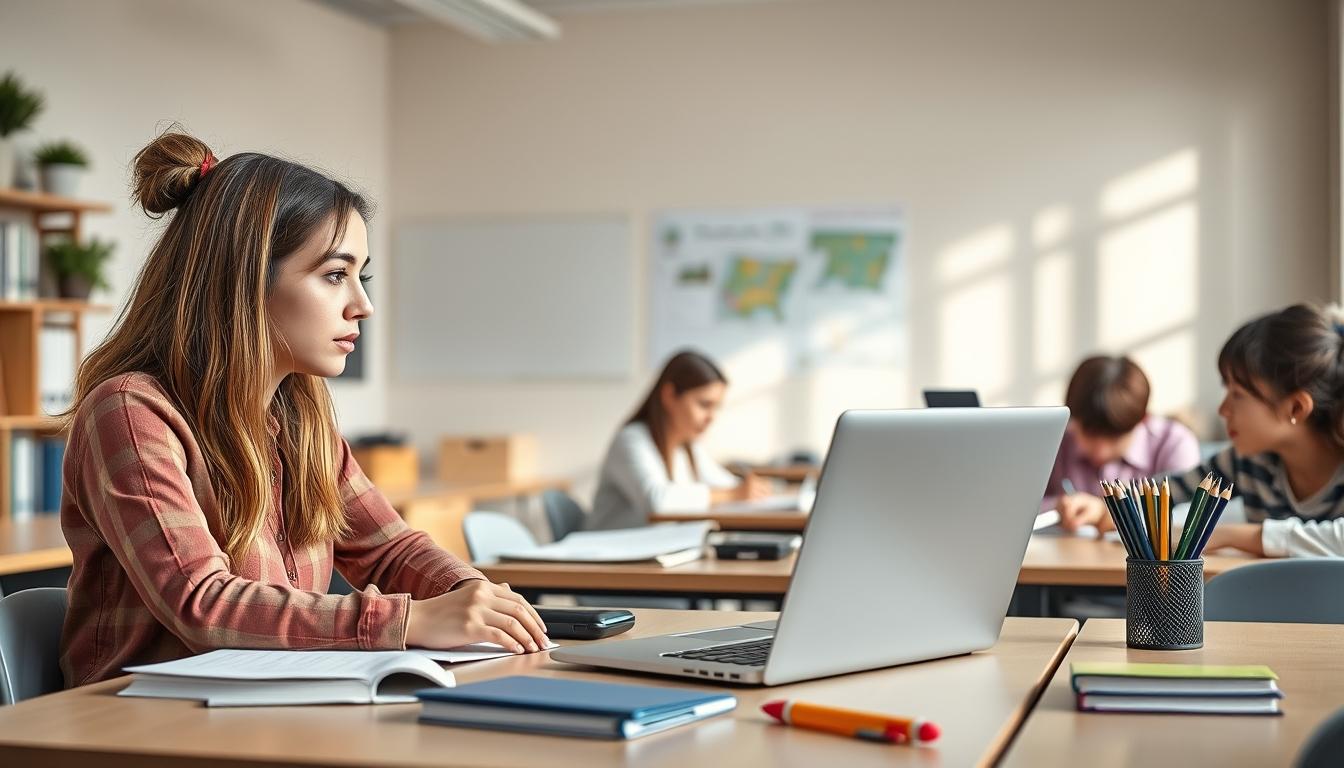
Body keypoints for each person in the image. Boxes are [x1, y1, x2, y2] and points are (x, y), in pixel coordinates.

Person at [58, 131, 547, 687]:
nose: (362, 305)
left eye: (359, 277)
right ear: (246, 282)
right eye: (335, 275)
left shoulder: (299, 420)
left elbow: (389, 550)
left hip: (274, 700)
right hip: (134, 722)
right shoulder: (130, 411)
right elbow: (201, 605)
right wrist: (408, 619)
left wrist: (469, 595)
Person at [1064, 304, 1344, 557]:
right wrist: (1104, 510)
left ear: (1296, 408)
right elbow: (1165, 495)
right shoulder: (1244, 461)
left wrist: (1227, 535)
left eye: (1237, 394)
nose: (1223, 409)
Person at [588, 351, 770, 530]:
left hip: (655, 551)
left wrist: (749, 489)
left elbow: (725, 485)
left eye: (716, 408)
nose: (711, 418)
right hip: (606, 552)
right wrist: (732, 494)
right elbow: (658, 502)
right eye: (704, 405)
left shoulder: (686, 447)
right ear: (669, 395)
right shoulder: (631, 440)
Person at [1046, 355, 1200, 529]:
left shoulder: (1174, 444)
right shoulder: (1055, 442)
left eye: (1114, 438)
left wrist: (1107, 513)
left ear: (1142, 419)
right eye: (1089, 434)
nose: (1100, 451)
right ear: (1072, 418)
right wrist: (1057, 506)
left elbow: (1187, 520)